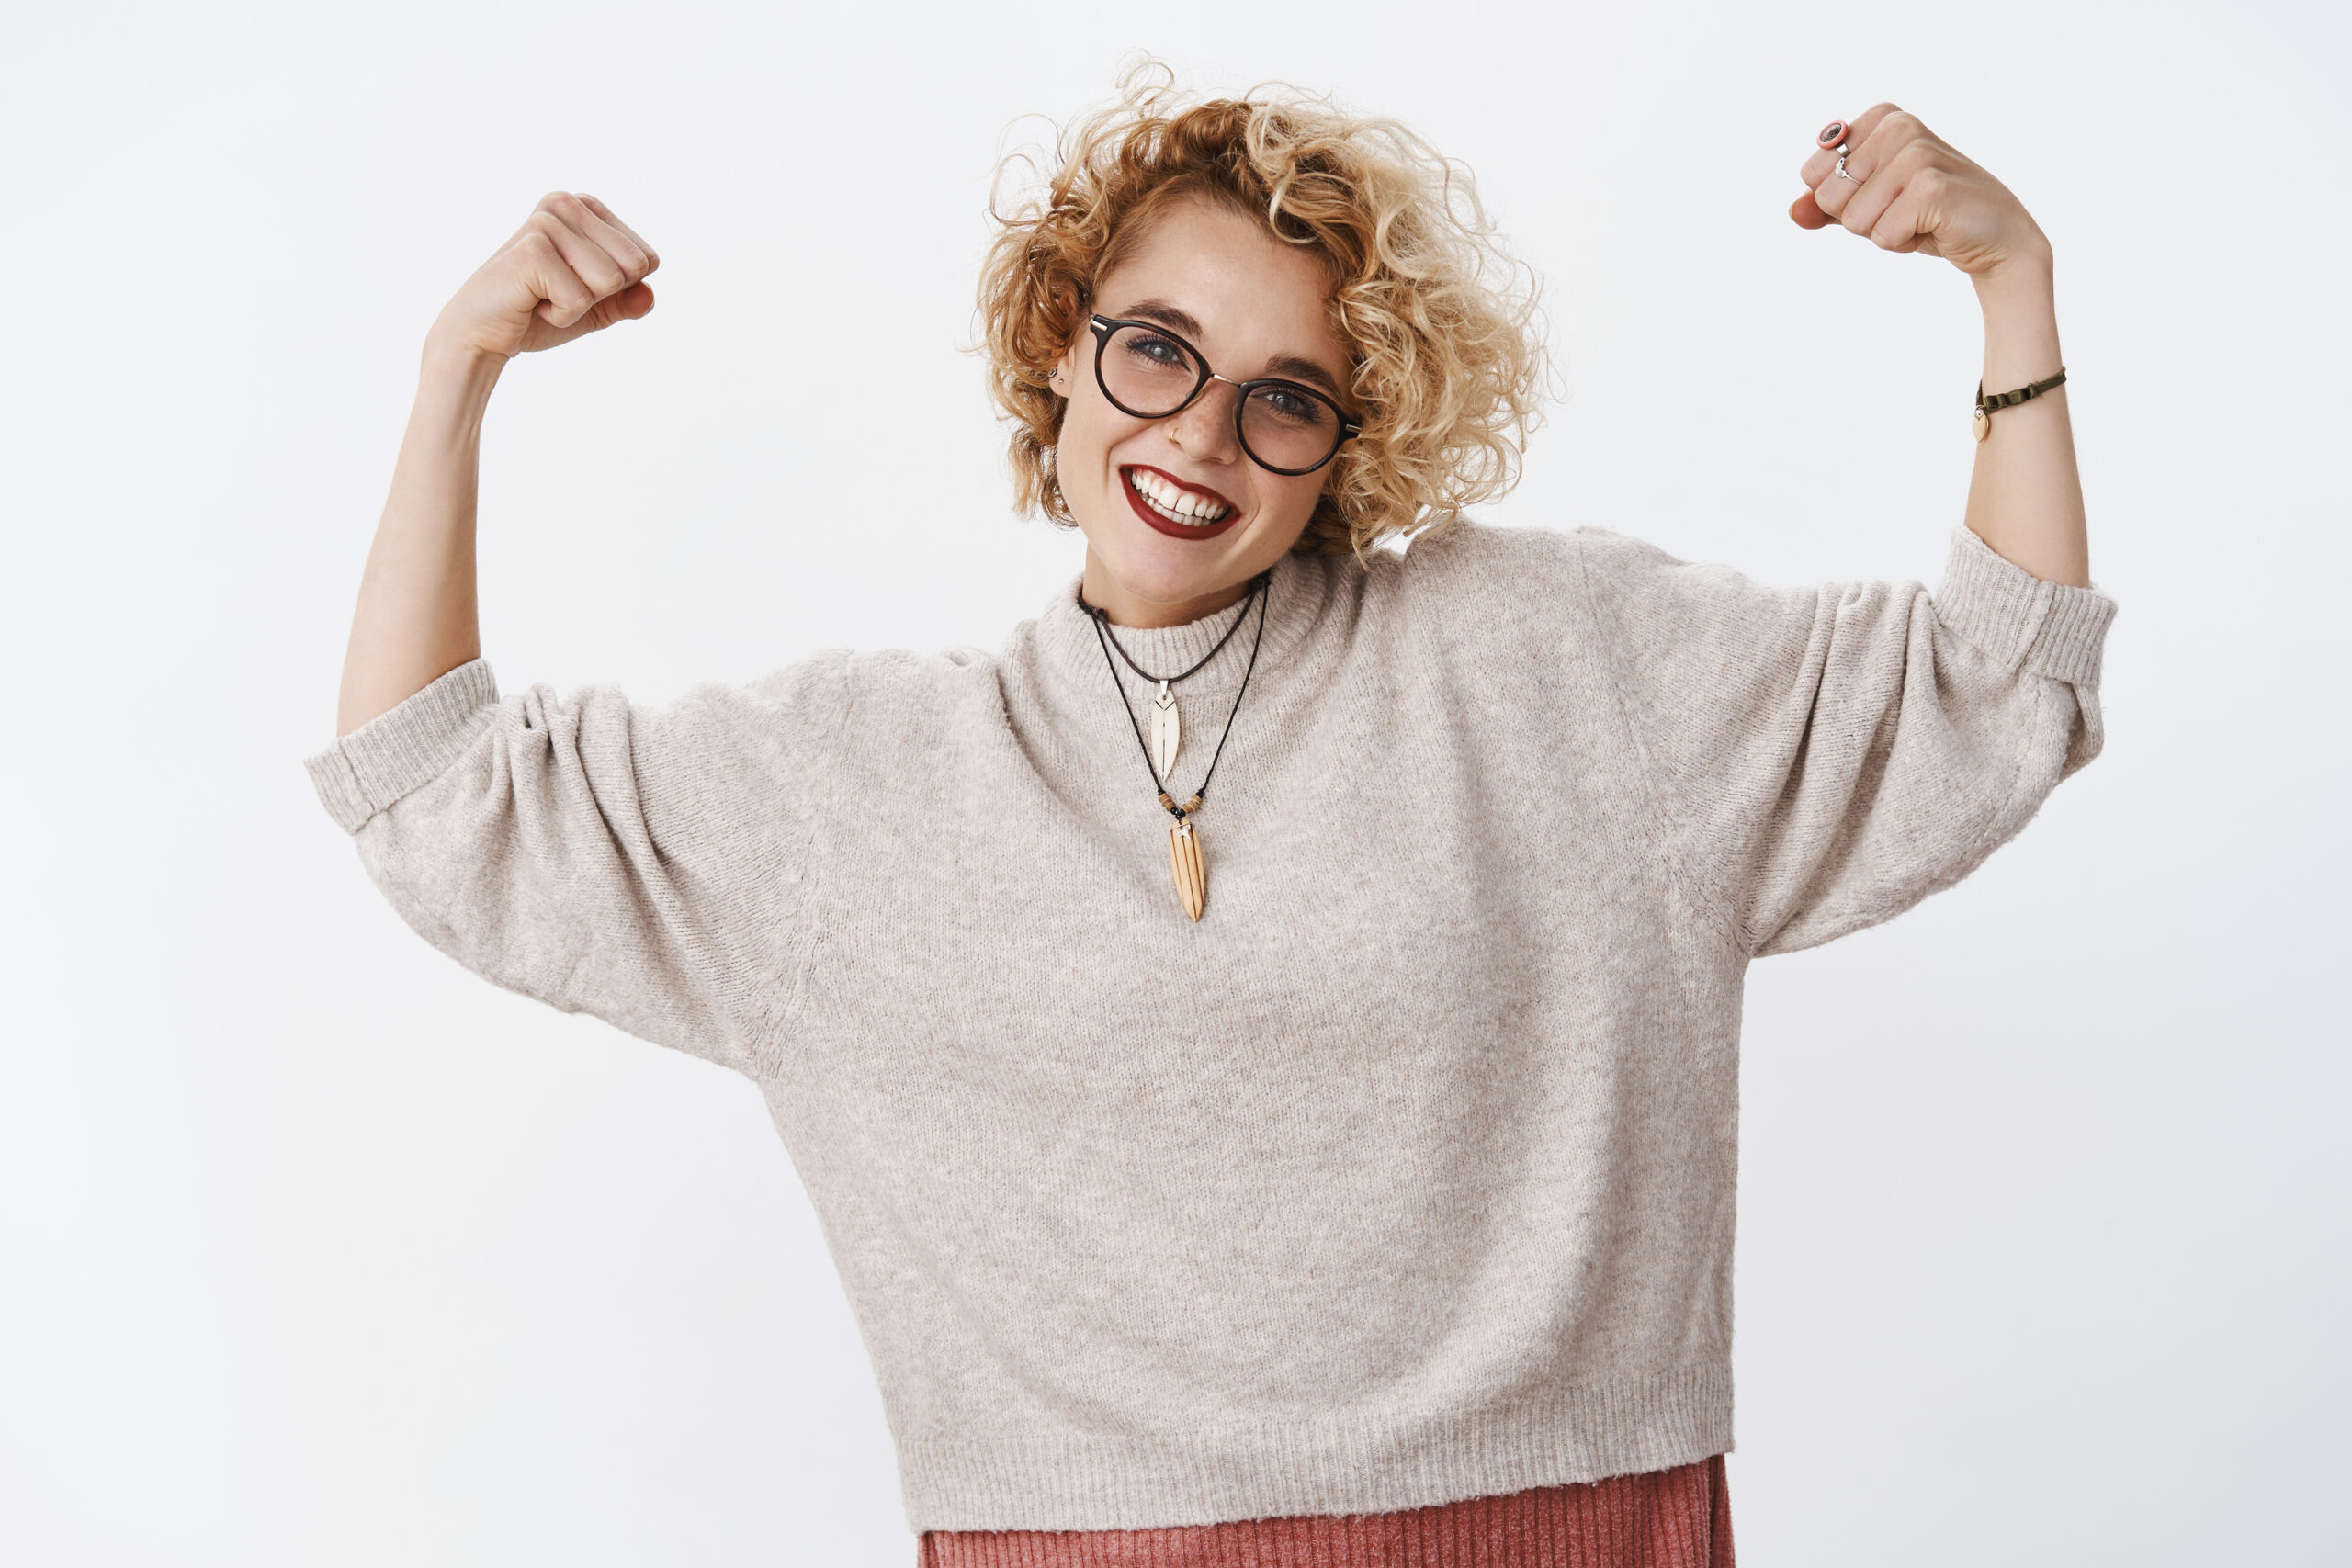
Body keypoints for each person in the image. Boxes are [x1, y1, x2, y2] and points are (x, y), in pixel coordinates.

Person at [304, 64, 2113, 1567]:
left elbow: (1989, 682)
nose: (1200, 437)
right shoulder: (858, 785)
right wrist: (451, 376)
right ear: (1060, 345)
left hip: (1566, 1528)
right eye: (1154, 350)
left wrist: (2006, 282)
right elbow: (433, 790)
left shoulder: (1539, 660)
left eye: (1286, 398)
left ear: (1356, 435)